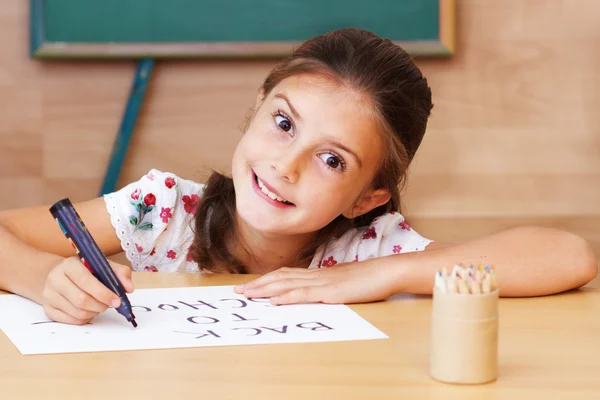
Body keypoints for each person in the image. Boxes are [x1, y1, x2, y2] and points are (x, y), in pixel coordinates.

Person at [0, 28, 596, 325]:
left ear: (368, 198)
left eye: (331, 159)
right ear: (258, 105)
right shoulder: (159, 209)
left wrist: (381, 275)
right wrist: (43, 276)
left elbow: (568, 256)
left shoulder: (367, 249)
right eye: (283, 123)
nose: (286, 166)